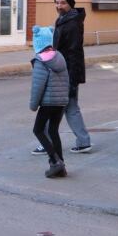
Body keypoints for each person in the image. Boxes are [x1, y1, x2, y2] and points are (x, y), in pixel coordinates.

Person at [33, 0, 92, 155]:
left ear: (70, 4)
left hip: (66, 74)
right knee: (70, 107)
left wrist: (72, 79)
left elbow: (74, 52)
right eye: (57, 2)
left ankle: (47, 142)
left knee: (51, 106)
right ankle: (83, 141)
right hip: (63, 71)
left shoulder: (72, 23)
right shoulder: (64, 19)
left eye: (63, 2)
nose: (59, 6)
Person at [29, 26, 70, 178]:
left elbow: (37, 86)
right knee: (53, 131)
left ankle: (54, 160)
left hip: (47, 103)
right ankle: (62, 166)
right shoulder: (59, 57)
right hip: (60, 102)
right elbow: (67, 80)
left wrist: (33, 105)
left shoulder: (40, 61)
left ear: (37, 42)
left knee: (38, 130)